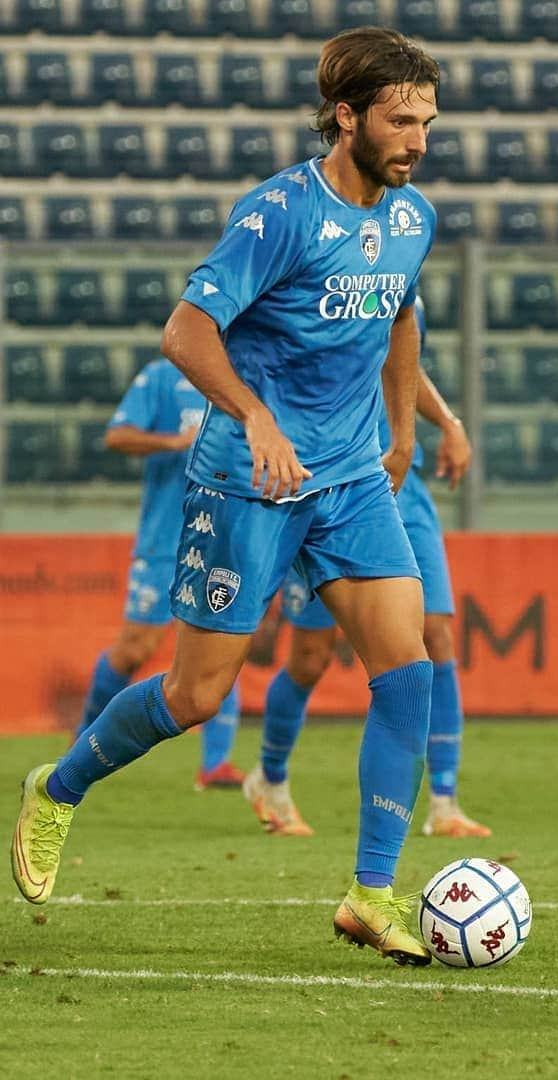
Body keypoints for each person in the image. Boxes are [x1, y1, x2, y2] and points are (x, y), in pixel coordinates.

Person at [12, 27, 441, 967]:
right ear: (347, 116)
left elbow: (401, 312)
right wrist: (253, 415)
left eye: (426, 122)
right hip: (250, 482)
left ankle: (372, 893)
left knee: (405, 670)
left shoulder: (413, 220)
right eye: (400, 121)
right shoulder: (279, 213)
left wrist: (404, 429)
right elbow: (185, 330)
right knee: (195, 695)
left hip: (352, 481)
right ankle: (59, 789)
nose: (416, 140)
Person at [243, 299, 492, 840]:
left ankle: (444, 802)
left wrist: (447, 423)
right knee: (310, 658)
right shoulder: (319, 269)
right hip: (325, 484)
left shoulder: (400, 271)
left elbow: (400, 364)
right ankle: (271, 778)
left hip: (399, 484)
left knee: (436, 632)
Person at [75, 358, 245, 791]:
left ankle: (215, 765)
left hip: (222, 538)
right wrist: (175, 442)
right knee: (135, 647)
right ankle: (81, 746)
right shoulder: (163, 376)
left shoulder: (247, 374)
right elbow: (117, 436)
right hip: (165, 538)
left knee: (223, 645)